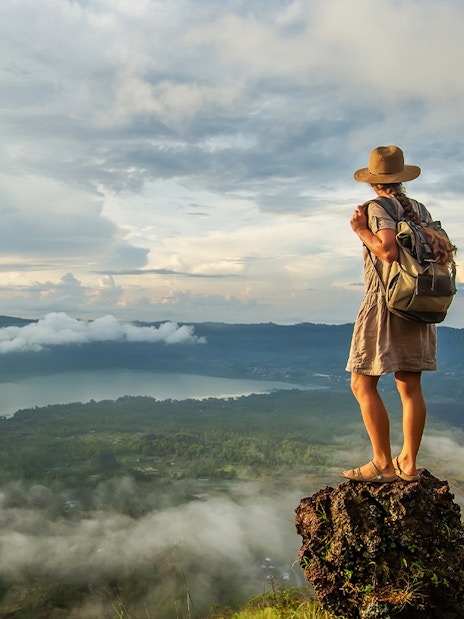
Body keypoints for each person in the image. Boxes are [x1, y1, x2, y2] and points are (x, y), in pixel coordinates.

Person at [342, 145, 457, 483]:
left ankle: (382, 463)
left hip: (388, 302)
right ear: (402, 178)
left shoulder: (376, 208)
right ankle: (407, 462)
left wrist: (361, 231)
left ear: (373, 181)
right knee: (410, 385)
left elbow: (389, 252)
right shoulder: (418, 209)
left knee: (361, 383)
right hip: (419, 302)